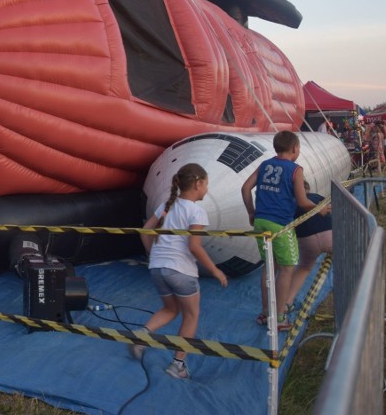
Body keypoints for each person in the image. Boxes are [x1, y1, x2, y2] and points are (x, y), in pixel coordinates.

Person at [132, 163, 227, 379]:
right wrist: (215, 270)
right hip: (181, 270)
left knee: (170, 309)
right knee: (191, 315)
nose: (207, 190)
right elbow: (194, 247)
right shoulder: (197, 212)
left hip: (158, 267)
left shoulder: (167, 206)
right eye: (206, 185)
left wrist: (152, 254)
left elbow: (145, 230)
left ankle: (142, 336)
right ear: (198, 184)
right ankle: (177, 365)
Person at [241, 131, 323, 331]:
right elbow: (303, 202)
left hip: (260, 221)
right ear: (295, 148)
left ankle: (265, 312)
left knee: (269, 267)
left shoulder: (264, 165)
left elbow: (245, 188)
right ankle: (278, 318)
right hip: (280, 225)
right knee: (287, 269)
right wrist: (321, 209)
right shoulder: (296, 170)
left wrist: (251, 212)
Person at [286, 181, 332, 308]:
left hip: (307, 241)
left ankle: (287, 302)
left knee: (304, 268)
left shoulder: (290, 204)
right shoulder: (315, 197)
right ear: (307, 189)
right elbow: (331, 208)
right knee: (347, 260)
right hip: (329, 235)